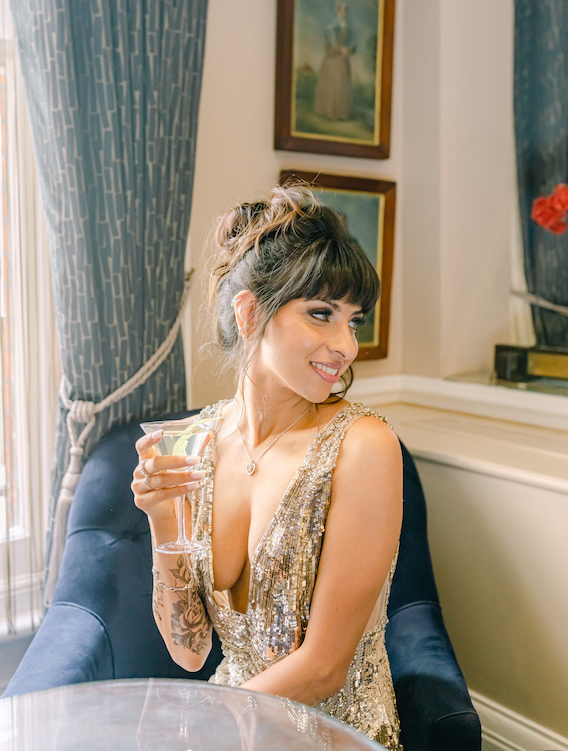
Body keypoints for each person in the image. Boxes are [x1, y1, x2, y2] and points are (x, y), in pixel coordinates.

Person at [132, 184, 403, 749]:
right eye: (321, 314)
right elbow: (190, 651)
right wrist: (162, 520)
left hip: (330, 734)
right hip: (232, 721)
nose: (346, 346)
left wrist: (204, 730)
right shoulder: (196, 443)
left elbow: (323, 669)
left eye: (353, 321)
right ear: (250, 312)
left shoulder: (364, 447)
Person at [314, 0, 355, 122]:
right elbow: (328, 48)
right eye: (341, 10)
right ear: (337, 11)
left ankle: (341, 113)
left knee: (342, 87)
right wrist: (339, 50)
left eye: (344, 10)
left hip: (343, 62)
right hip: (332, 61)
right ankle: (329, 112)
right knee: (333, 85)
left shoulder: (348, 30)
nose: (343, 12)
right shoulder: (330, 28)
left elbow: (351, 47)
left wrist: (348, 51)